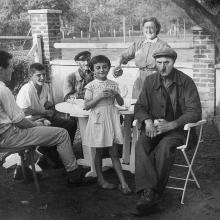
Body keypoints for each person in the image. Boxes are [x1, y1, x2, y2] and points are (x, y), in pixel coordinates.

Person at [0, 50, 91, 185]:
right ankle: (74, 175)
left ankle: (22, 169)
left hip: (6, 133)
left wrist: (36, 120)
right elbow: (19, 121)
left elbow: (11, 120)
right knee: (62, 133)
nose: (13, 70)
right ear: (1, 69)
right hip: (9, 136)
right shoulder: (3, 90)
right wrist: (37, 124)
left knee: (56, 124)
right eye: (11, 66)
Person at [133, 47, 202, 213]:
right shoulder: (150, 81)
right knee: (142, 142)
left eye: (167, 63)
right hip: (156, 128)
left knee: (164, 146)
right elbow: (140, 106)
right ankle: (148, 191)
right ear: (155, 63)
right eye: (159, 63)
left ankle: (153, 193)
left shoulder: (186, 82)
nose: (162, 67)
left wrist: (172, 124)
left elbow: (195, 111)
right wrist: (147, 121)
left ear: (174, 62)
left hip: (180, 132)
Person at [83, 55, 131, 194]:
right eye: (98, 67)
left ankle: (123, 183)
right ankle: (101, 180)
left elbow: (121, 103)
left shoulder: (113, 84)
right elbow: (86, 106)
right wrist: (99, 96)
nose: (102, 70)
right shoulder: (90, 86)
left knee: (114, 152)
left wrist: (116, 94)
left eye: (104, 67)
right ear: (93, 70)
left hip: (111, 118)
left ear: (109, 68)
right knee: (99, 151)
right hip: (98, 119)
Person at [16, 62, 77, 170]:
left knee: (71, 124)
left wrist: (49, 106)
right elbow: (24, 110)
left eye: (44, 74)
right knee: (54, 129)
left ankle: (58, 155)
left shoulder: (45, 87)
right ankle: (47, 155)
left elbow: (46, 104)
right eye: (38, 75)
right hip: (30, 121)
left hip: (44, 117)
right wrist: (44, 113)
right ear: (31, 76)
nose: (42, 78)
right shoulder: (26, 89)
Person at [113, 17, 169, 99]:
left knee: (155, 107)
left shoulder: (163, 45)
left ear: (157, 29)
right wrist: (118, 65)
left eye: (152, 27)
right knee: (139, 106)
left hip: (157, 80)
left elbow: (169, 63)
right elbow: (122, 56)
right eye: (146, 27)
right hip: (139, 80)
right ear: (143, 29)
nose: (149, 30)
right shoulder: (138, 45)